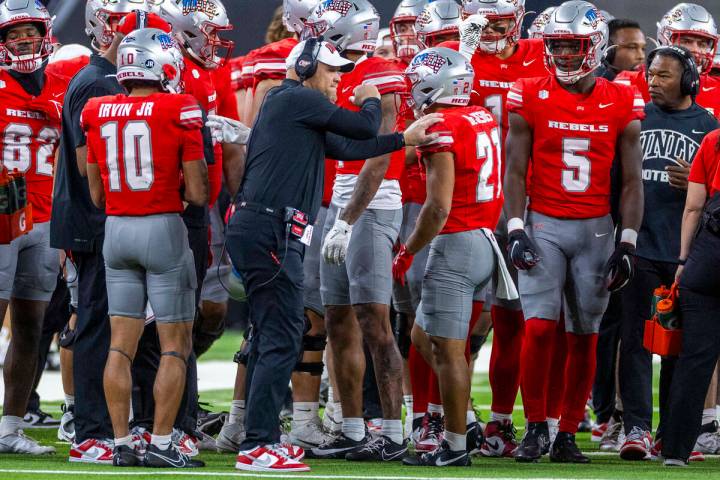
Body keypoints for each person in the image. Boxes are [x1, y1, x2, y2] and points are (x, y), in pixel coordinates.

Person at [210, 37, 440, 472]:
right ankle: (259, 443)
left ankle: (257, 436)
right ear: (307, 66)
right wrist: (372, 98)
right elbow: (361, 127)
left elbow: (351, 148)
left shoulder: (292, 108)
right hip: (271, 229)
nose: (339, 79)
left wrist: (400, 139)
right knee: (282, 336)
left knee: (272, 334)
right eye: (333, 70)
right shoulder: (295, 97)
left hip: (264, 227)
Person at [504, 0, 644, 463]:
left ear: (596, 45)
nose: (564, 54)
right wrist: (517, 226)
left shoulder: (621, 97)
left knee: (584, 333)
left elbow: (630, 180)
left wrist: (628, 242)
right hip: (544, 222)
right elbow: (516, 170)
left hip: (596, 230)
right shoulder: (528, 91)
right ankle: (535, 428)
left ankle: (566, 432)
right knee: (540, 329)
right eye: (557, 45)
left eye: (574, 45)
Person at [83, 27, 208, 469]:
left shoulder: (98, 109)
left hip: (116, 231)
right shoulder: (179, 106)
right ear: (163, 63)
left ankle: (120, 445)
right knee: (175, 344)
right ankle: (160, 442)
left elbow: (96, 194)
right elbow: (197, 192)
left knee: (121, 345)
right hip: (162, 227)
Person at [302, 0, 410, 461]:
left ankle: (392, 432)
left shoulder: (382, 73)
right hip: (337, 203)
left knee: (374, 321)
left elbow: (380, 155)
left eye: (324, 27)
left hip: (374, 203)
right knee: (337, 322)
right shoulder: (336, 72)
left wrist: (346, 220)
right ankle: (350, 428)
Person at [393, 46, 508, 467]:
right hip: (483, 237)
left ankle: (455, 445)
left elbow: (437, 207)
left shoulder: (441, 126)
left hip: (457, 241)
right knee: (424, 339)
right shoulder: (480, 115)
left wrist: (407, 250)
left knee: (449, 350)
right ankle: (461, 418)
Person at [616, 45, 718, 462]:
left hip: (686, 253)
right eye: (650, 74)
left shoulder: (708, 126)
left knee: (682, 344)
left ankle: (670, 431)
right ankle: (636, 427)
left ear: (688, 81)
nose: (652, 82)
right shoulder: (635, 119)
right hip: (640, 243)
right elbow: (619, 180)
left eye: (663, 76)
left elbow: (709, 201)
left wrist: (693, 182)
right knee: (635, 340)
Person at [460, 0, 549, 457]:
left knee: (514, 316)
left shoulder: (542, 51)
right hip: (469, 198)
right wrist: (459, 50)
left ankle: (499, 420)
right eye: (483, 21)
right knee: (460, 316)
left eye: (498, 21)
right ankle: (444, 414)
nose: (490, 29)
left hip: (524, 198)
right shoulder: (459, 52)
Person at [0, 0, 63, 456]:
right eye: (13, 33)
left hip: (43, 217)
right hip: (2, 214)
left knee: (31, 327)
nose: (23, 39)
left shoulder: (62, 84)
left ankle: (9, 427)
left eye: (30, 30)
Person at [661, 114, 720, 467]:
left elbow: (694, 207)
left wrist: (682, 262)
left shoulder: (713, 141)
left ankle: (675, 450)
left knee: (695, 360)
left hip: (708, 257)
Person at [615, 3, 720, 119]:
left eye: (702, 44)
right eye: (686, 41)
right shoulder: (629, 83)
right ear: (663, 41)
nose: (695, 50)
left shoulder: (717, 89)